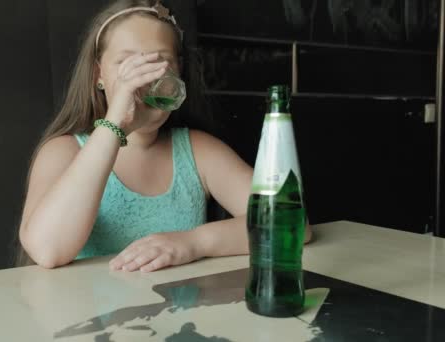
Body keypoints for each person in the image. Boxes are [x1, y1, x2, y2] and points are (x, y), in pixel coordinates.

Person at [16, 0, 312, 272]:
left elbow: (291, 223)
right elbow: (47, 250)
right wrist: (115, 121)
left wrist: (192, 243)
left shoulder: (197, 151)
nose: (145, 79)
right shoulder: (64, 151)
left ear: (178, 75)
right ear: (99, 76)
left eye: (161, 64)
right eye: (127, 64)